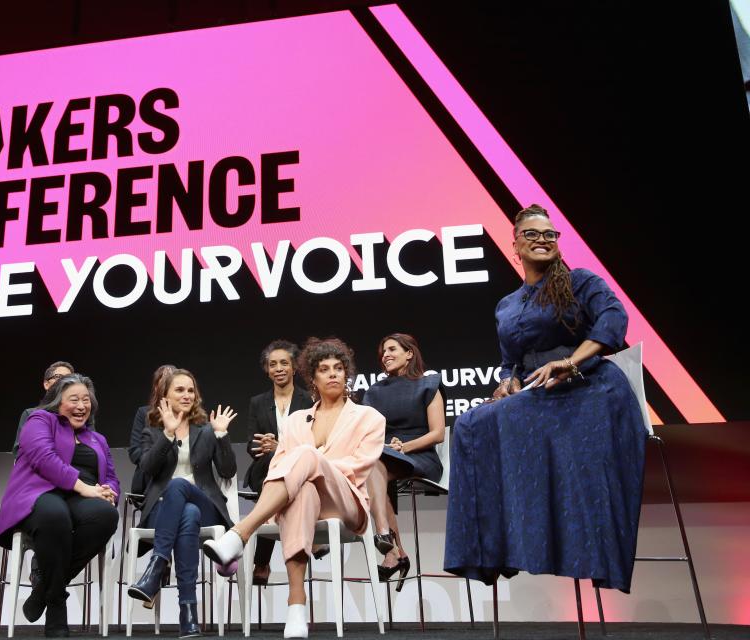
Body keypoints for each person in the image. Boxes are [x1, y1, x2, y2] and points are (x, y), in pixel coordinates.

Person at [443, 204, 648, 593]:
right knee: (471, 423)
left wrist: (570, 362)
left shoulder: (580, 281)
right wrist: (508, 383)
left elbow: (614, 320)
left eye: (550, 235)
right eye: (533, 234)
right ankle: (492, 550)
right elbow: (509, 363)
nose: (543, 240)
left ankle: (555, 547)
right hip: (537, 394)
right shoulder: (507, 304)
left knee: (485, 422)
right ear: (515, 245)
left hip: (589, 386)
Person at [203, 337, 385, 639]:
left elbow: (358, 468)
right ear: (313, 378)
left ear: (347, 374)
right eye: (324, 369)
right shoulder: (297, 421)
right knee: (303, 493)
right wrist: (309, 470)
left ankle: (240, 533)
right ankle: (296, 605)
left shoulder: (369, 417)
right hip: (310, 500)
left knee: (305, 457)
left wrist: (316, 462)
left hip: (347, 502)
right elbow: (276, 469)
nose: (333, 374)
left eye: (339, 368)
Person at [0, 374, 120, 637]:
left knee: (106, 516)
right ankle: (56, 608)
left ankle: (44, 590)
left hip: (81, 499)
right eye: (74, 399)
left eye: (86, 400)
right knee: (55, 515)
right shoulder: (40, 420)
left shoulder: (97, 439)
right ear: (57, 402)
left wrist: (110, 492)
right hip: (40, 492)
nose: (82, 406)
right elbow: (44, 459)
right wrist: (85, 487)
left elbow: (110, 477)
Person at [126, 369, 237, 638]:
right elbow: (148, 469)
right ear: (165, 395)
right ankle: (188, 612)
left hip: (207, 506)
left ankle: (156, 569)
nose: (187, 395)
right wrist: (167, 434)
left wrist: (221, 436)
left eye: (190, 390)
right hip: (163, 510)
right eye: (179, 390)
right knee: (186, 513)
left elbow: (228, 471)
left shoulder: (206, 429)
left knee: (179, 487)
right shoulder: (153, 429)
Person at [361, 333, 445, 583]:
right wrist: (387, 446)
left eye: (391, 349)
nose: (385, 355)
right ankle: (393, 549)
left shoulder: (429, 385)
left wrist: (405, 447)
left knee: (374, 465)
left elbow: (437, 433)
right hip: (384, 454)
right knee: (372, 466)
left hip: (420, 456)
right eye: (382, 352)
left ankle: (390, 546)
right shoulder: (374, 392)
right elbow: (366, 433)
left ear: (409, 353)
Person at [244, 340, 314, 586]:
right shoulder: (257, 402)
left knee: (286, 469)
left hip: (299, 470)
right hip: (263, 470)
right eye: (273, 364)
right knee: (272, 468)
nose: (279, 368)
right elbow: (251, 447)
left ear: (294, 367)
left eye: (284, 363)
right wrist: (265, 447)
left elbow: (314, 443)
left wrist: (281, 448)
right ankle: (312, 540)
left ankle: (261, 561)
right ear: (267, 370)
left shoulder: (309, 400)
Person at [128, 364, 178, 496]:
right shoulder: (144, 413)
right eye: (162, 383)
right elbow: (135, 451)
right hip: (150, 477)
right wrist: (157, 460)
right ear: (156, 387)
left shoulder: (186, 415)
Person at [13, 361, 75, 455]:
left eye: (70, 379)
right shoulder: (30, 414)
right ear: (46, 384)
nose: (65, 382)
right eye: (59, 377)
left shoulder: (79, 415)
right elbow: (20, 452)